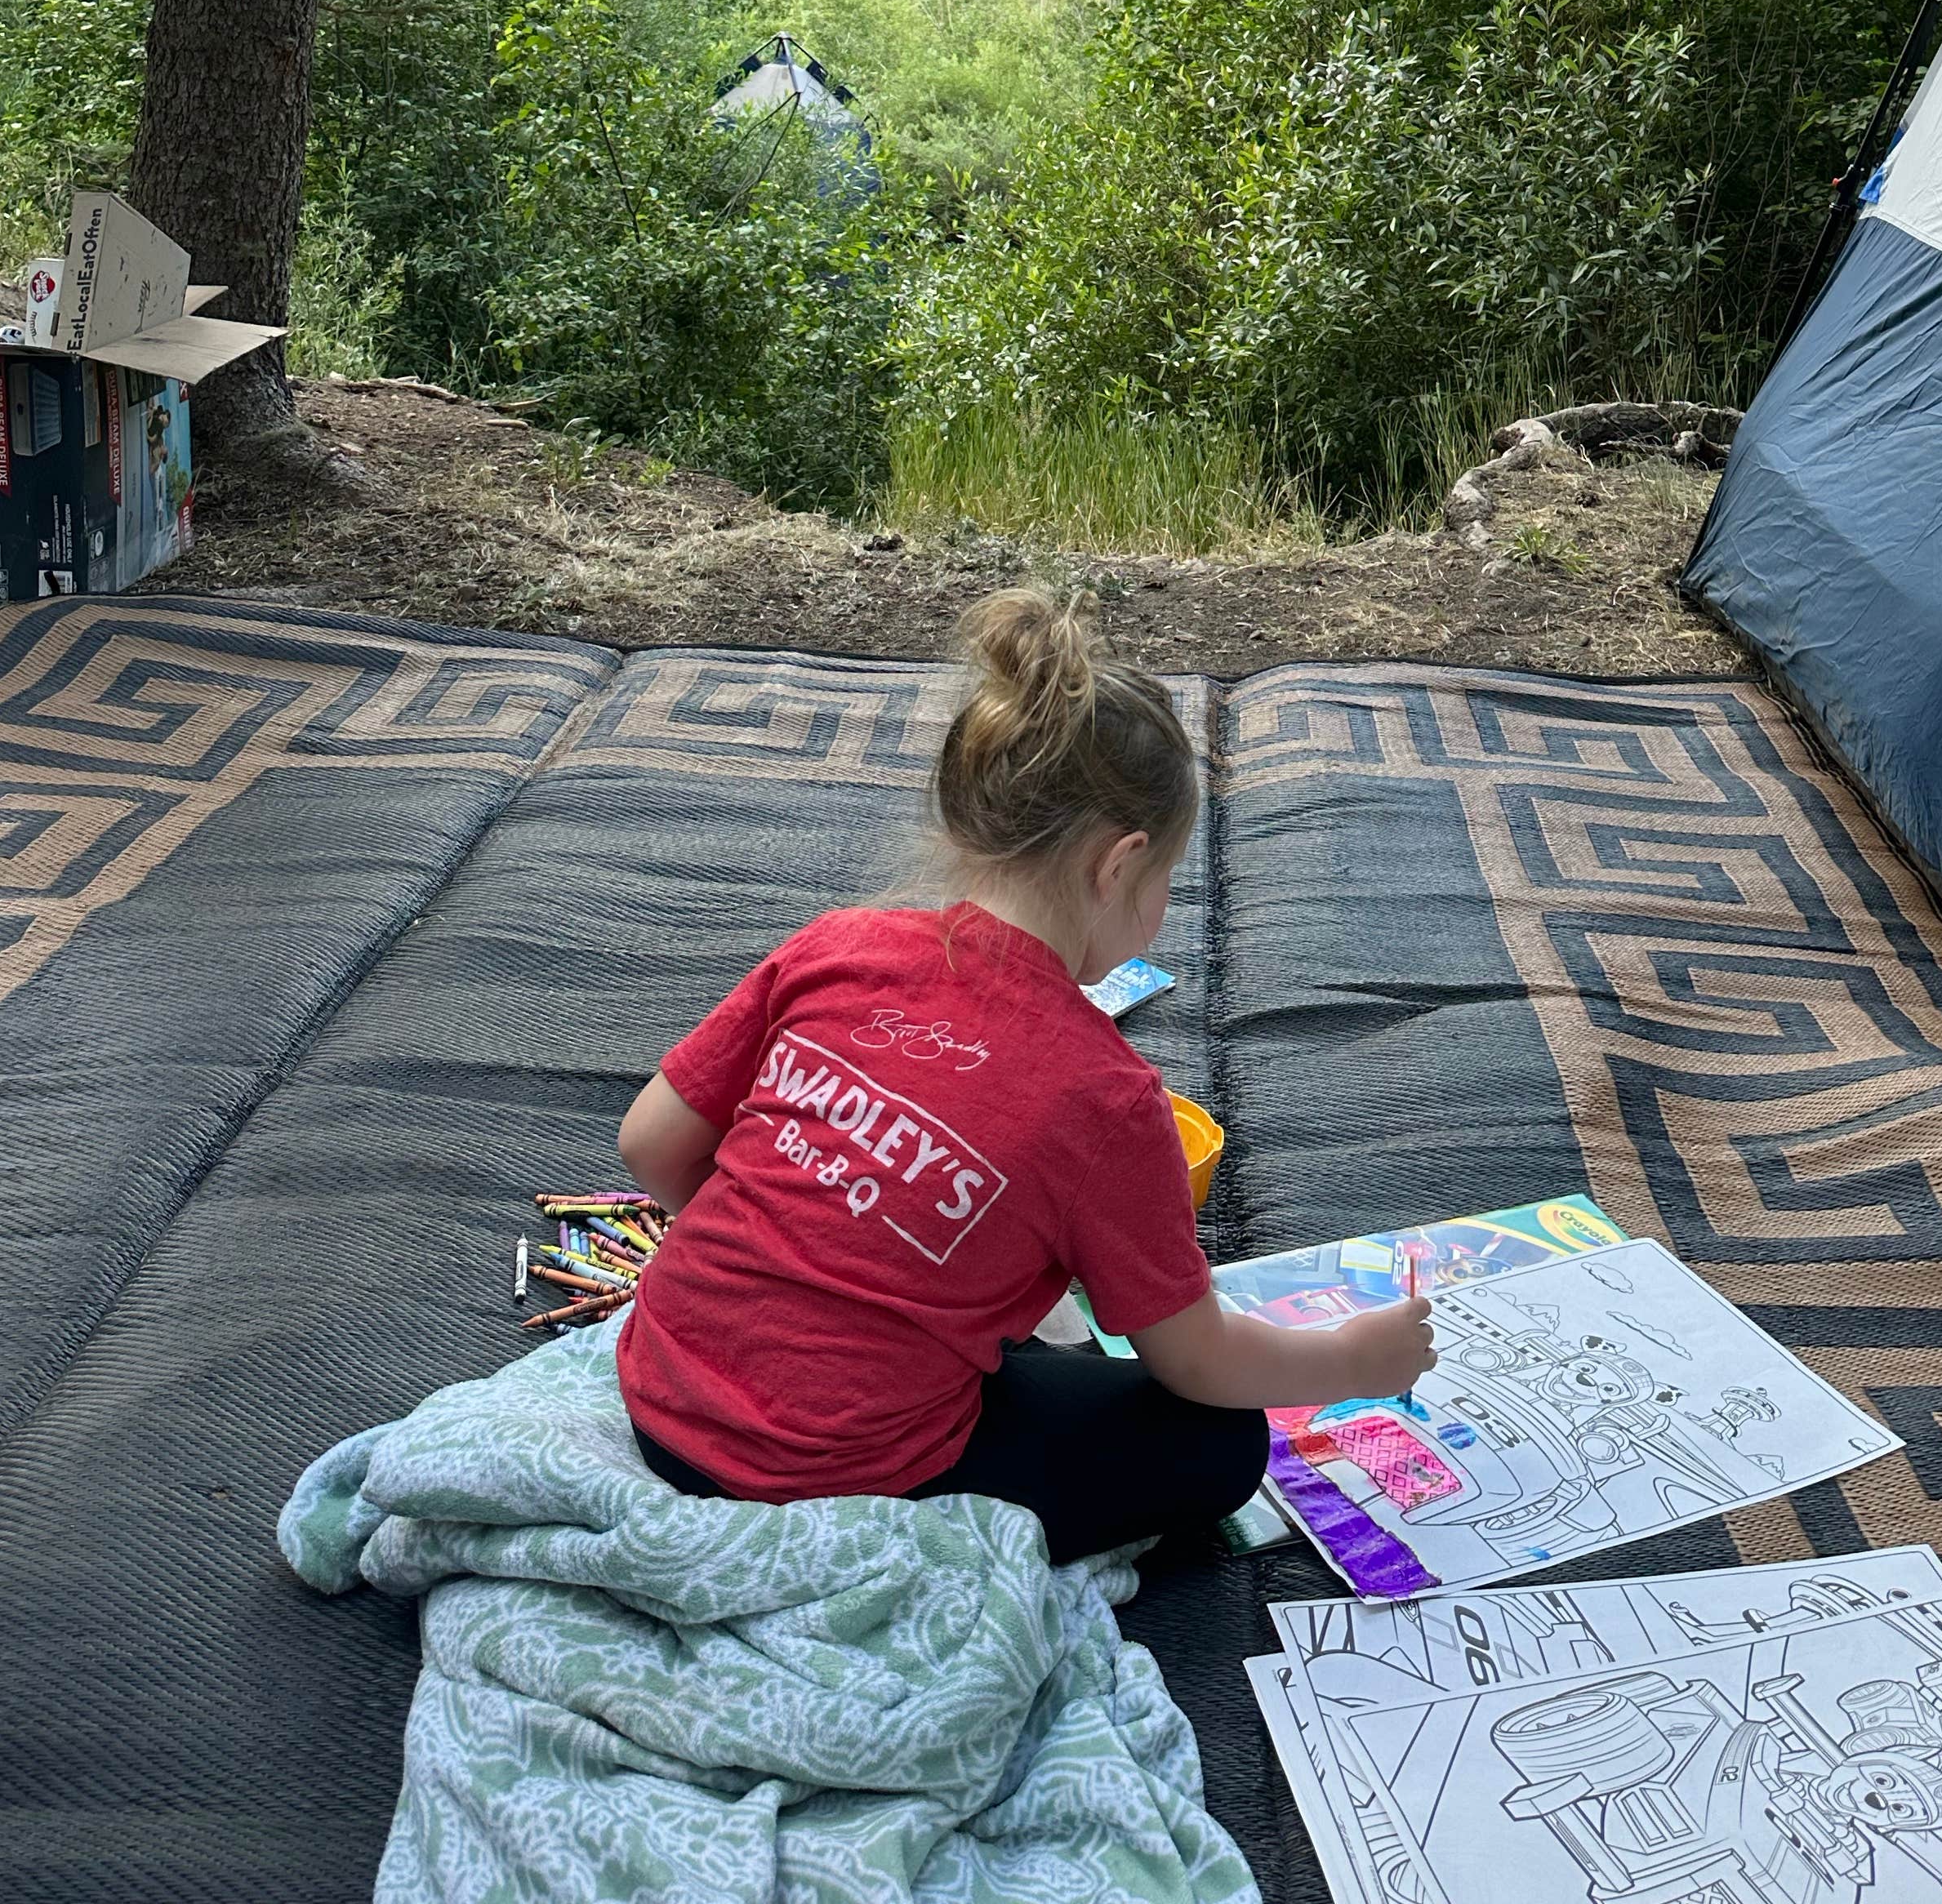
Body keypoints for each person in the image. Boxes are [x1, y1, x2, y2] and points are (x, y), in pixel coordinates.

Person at [614, 586, 1435, 1564]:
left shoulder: (835, 944)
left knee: (1027, 1327)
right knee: (1219, 1443)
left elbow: (650, 1145)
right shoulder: (1104, 1097)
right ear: (1119, 866)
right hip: (829, 1472)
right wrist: (1351, 1359)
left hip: (659, 1393)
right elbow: (1198, 1360)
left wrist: (802, 1247)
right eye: (1167, 881)